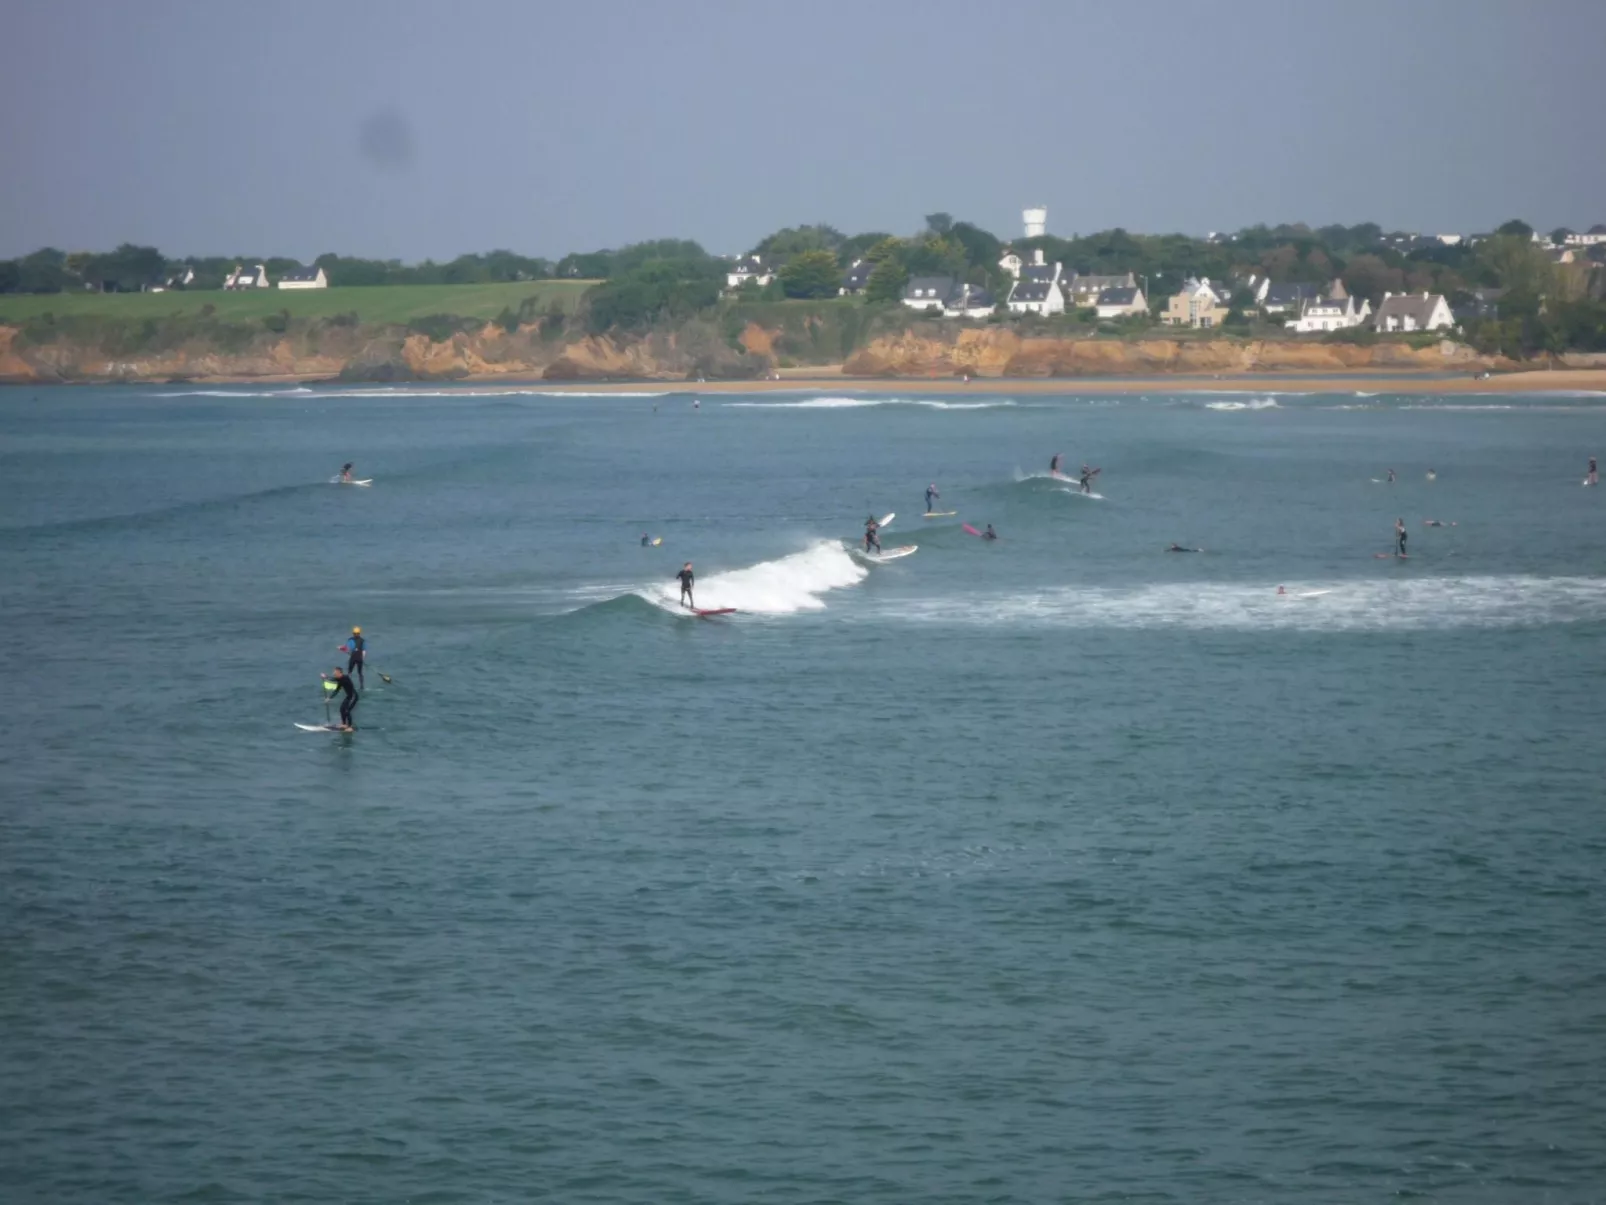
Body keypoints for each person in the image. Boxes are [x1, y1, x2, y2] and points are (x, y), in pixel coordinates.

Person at [321, 666, 359, 731]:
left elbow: (334, 679)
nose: (334, 673)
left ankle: (350, 727)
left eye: (335, 672)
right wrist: (329, 698)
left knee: (347, 711)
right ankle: (344, 724)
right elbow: (337, 690)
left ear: (339, 672)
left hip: (353, 696)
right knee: (342, 709)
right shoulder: (340, 680)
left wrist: (326, 677)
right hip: (349, 696)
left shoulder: (345, 678)